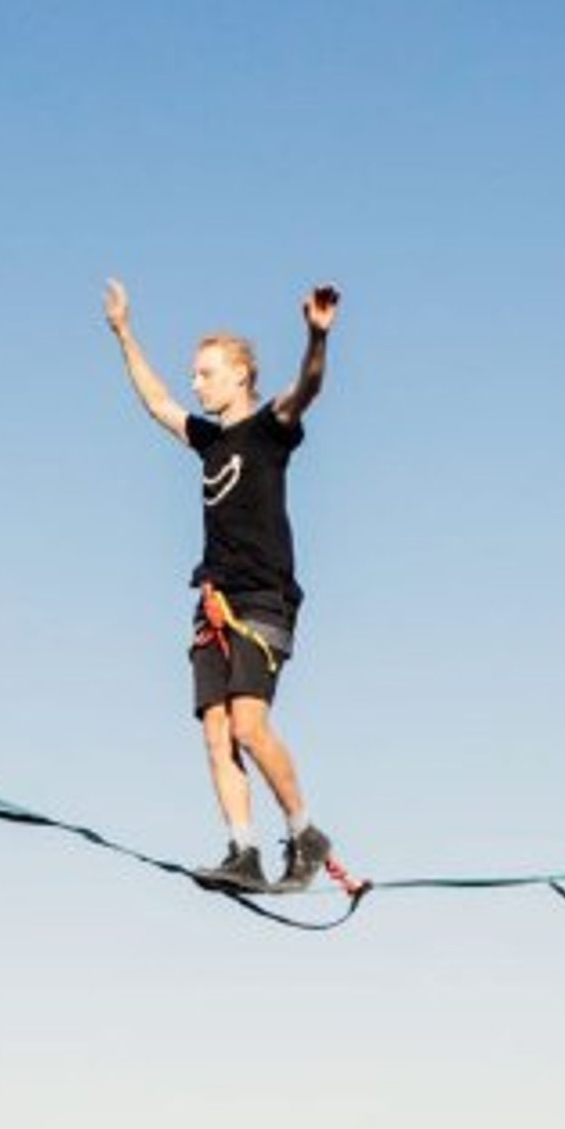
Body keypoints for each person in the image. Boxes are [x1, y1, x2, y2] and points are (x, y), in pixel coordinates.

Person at [104, 276, 340, 891]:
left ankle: (306, 834)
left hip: (263, 599)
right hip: (214, 600)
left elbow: (308, 388)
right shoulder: (209, 442)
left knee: (248, 726)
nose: (196, 383)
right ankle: (244, 851)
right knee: (215, 733)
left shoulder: (269, 429)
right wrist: (124, 333)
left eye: (206, 373)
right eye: (194, 374)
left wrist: (316, 338)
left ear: (240, 375)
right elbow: (158, 403)